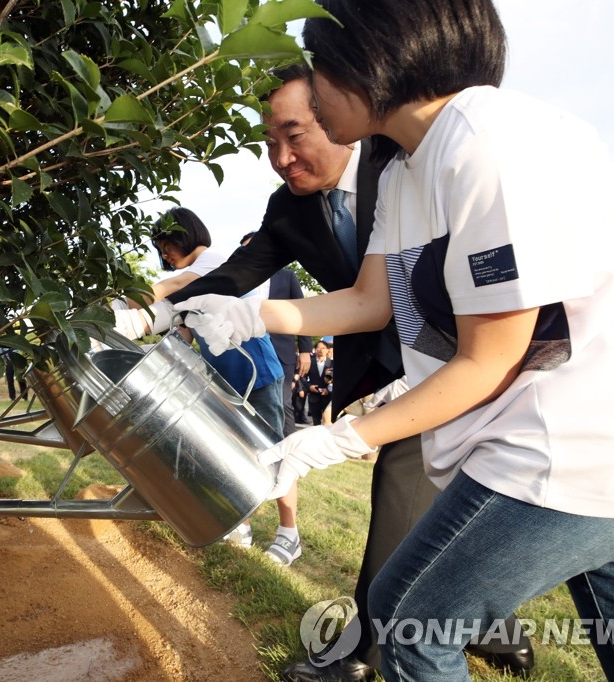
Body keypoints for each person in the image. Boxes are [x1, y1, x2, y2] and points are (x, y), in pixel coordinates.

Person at [175, 2, 614, 680]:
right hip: (611, 454)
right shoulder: (407, 167)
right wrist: (254, 318)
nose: (313, 92)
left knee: (410, 621)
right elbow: (370, 302)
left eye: (318, 71)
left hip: (569, 449)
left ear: (369, 59)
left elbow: (489, 359)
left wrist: (341, 440)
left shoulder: (486, 143)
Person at [164, 65, 531, 680]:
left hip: (479, 351)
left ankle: (367, 656)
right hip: (393, 359)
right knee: (451, 495)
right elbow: (358, 297)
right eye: (269, 143)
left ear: (338, 118)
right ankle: (495, 626)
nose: (281, 158)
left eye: (296, 134)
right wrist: (166, 313)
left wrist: (342, 434)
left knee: (407, 493)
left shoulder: (408, 166)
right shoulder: (293, 208)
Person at [114, 207, 303, 566]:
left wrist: (120, 308)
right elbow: (182, 329)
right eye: (160, 248)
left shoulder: (211, 261)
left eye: (166, 244)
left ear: (185, 233)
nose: (164, 253)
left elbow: (172, 287)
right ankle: (241, 525)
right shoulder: (189, 274)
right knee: (234, 451)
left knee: (276, 451)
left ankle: (289, 533)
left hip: (256, 370)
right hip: (223, 374)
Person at [241, 230, 314, 437]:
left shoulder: (287, 276)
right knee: (253, 402)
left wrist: (305, 350)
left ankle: (288, 451)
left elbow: (303, 313)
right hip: (251, 351)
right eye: (244, 249)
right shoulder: (241, 280)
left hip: (282, 351)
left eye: (252, 246)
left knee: (282, 401)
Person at [306, 340, 332, 426]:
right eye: (318, 348)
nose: (320, 350)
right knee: (316, 421)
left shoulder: (332, 363)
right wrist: (309, 386)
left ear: (328, 350)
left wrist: (328, 390)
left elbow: (337, 380)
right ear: (315, 349)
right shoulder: (309, 362)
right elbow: (303, 377)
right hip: (313, 396)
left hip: (328, 397)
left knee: (328, 421)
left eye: (323, 348)